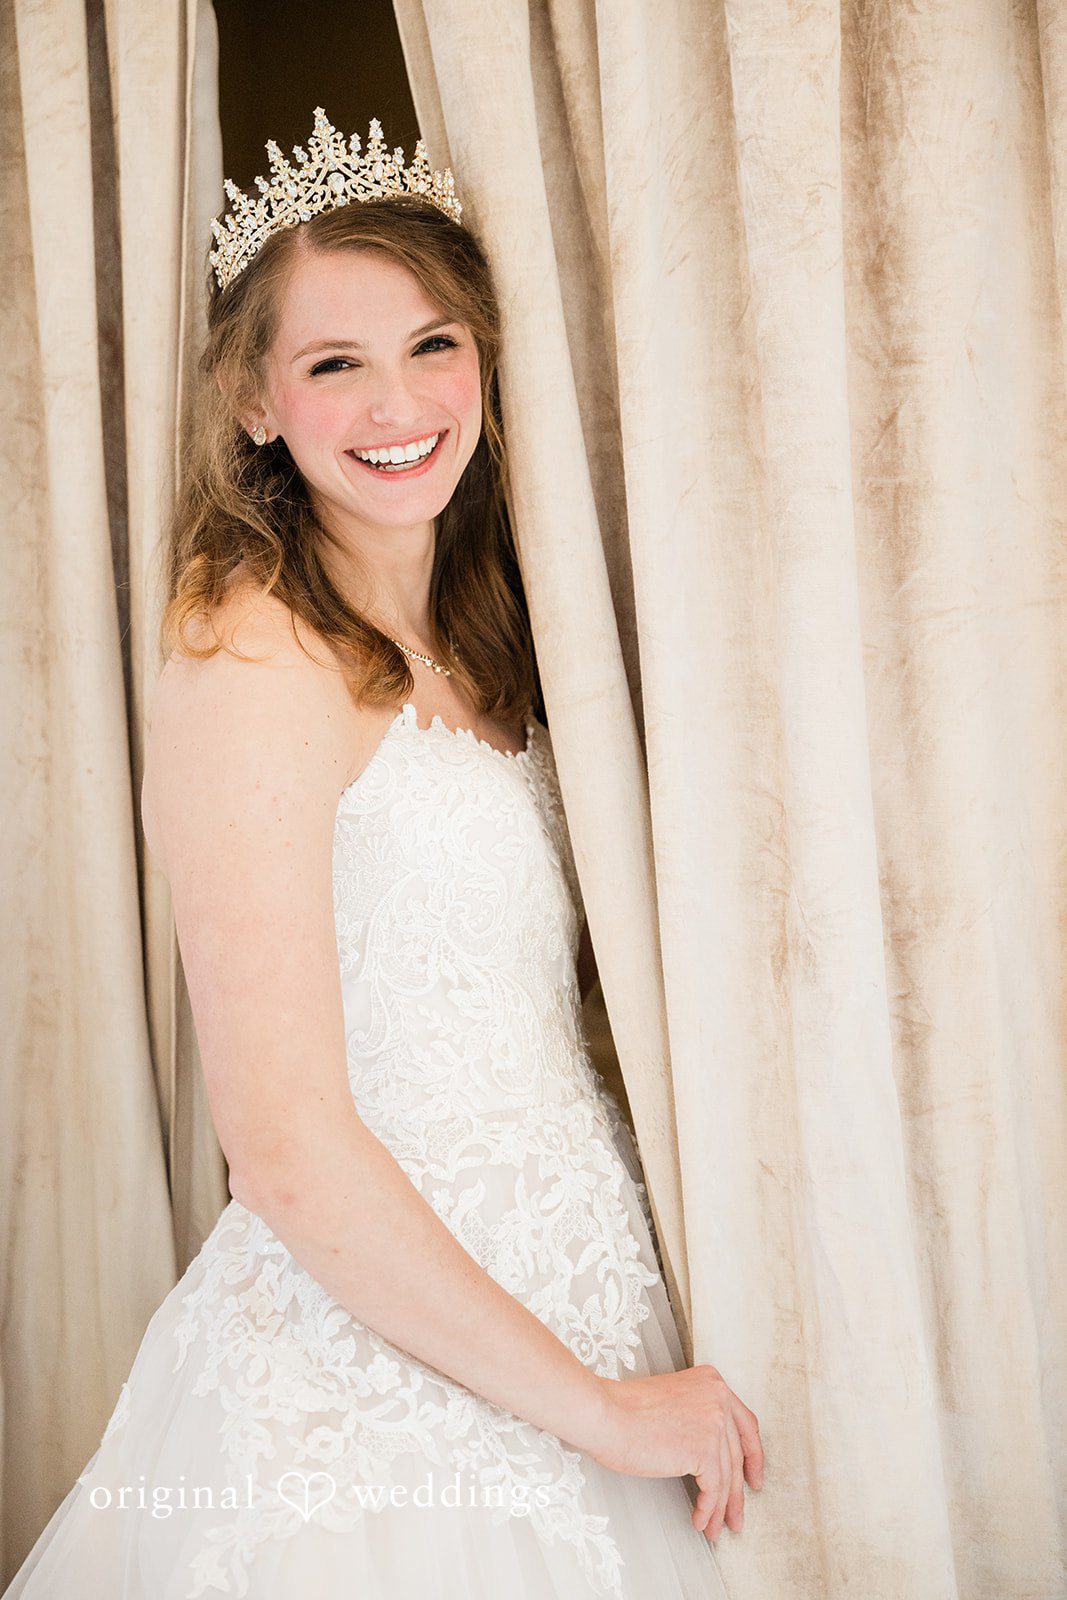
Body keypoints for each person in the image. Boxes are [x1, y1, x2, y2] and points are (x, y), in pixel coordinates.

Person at [4, 111, 763, 1599]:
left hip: (585, 1291)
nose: (399, 400)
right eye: (335, 362)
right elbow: (283, 1144)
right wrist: (602, 1415)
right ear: (254, 399)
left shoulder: (501, 633)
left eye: (435, 345)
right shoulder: (249, 654)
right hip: (382, 1383)